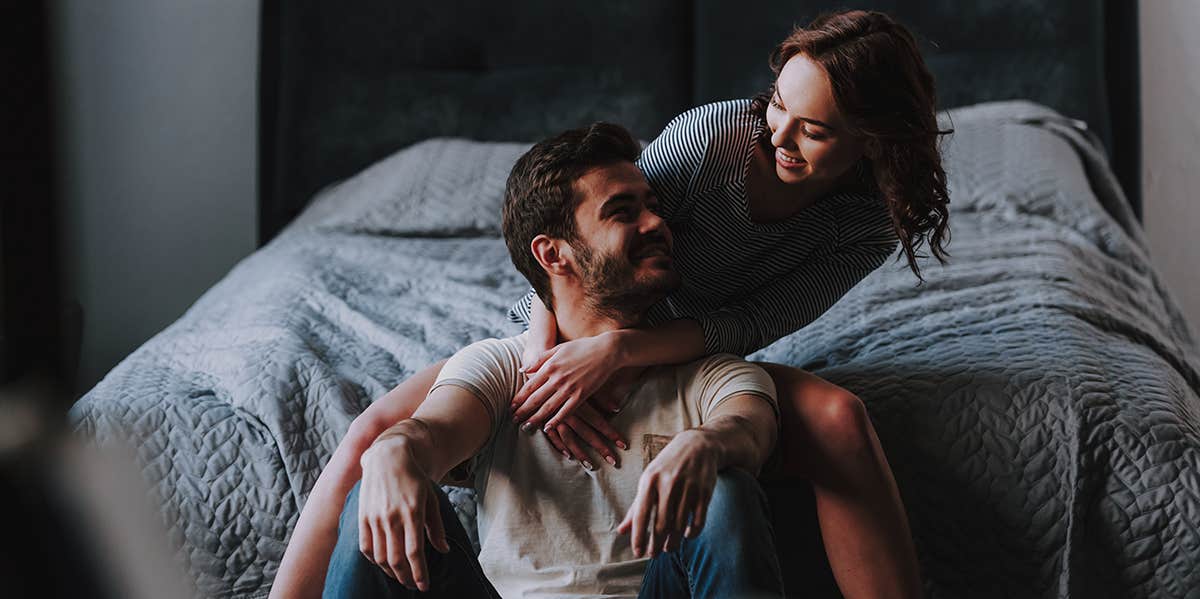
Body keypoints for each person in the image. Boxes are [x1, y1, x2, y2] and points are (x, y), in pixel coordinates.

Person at [273, 9, 947, 599]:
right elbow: (589, 236)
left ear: (870, 143)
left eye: (813, 130)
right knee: (374, 438)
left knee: (840, 419)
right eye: (777, 104)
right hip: (592, 312)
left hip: (691, 345)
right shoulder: (712, 141)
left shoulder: (868, 225)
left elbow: (756, 323)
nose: (778, 135)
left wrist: (624, 352)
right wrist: (545, 358)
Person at [320, 123, 783, 598]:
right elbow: (435, 434)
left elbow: (749, 429)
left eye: (654, 207)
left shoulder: (710, 374)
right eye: (623, 213)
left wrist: (709, 444)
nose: (656, 225)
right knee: (368, 497)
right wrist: (394, 449)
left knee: (723, 489)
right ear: (553, 254)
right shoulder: (501, 367)